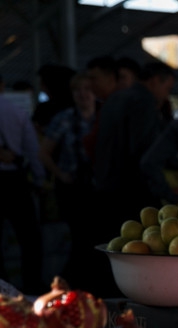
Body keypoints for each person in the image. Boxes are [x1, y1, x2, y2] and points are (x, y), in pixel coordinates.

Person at [91, 60, 176, 296]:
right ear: (155, 81)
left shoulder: (115, 98)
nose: (166, 95)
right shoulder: (144, 102)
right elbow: (145, 152)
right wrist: (166, 192)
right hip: (131, 190)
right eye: (167, 88)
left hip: (106, 187)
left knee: (111, 252)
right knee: (131, 253)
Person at [38, 71, 97, 289]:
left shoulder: (103, 117)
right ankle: (72, 284)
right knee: (80, 237)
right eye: (77, 90)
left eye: (87, 89)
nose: (83, 94)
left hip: (98, 188)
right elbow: (43, 152)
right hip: (73, 188)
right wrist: (60, 173)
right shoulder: (64, 118)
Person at [0, 74, 46, 295]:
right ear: (2, 86)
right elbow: (33, 150)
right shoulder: (17, 112)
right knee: (29, 237)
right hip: (16, 180)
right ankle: (32, 287)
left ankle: (3, 291)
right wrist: (38, 179)